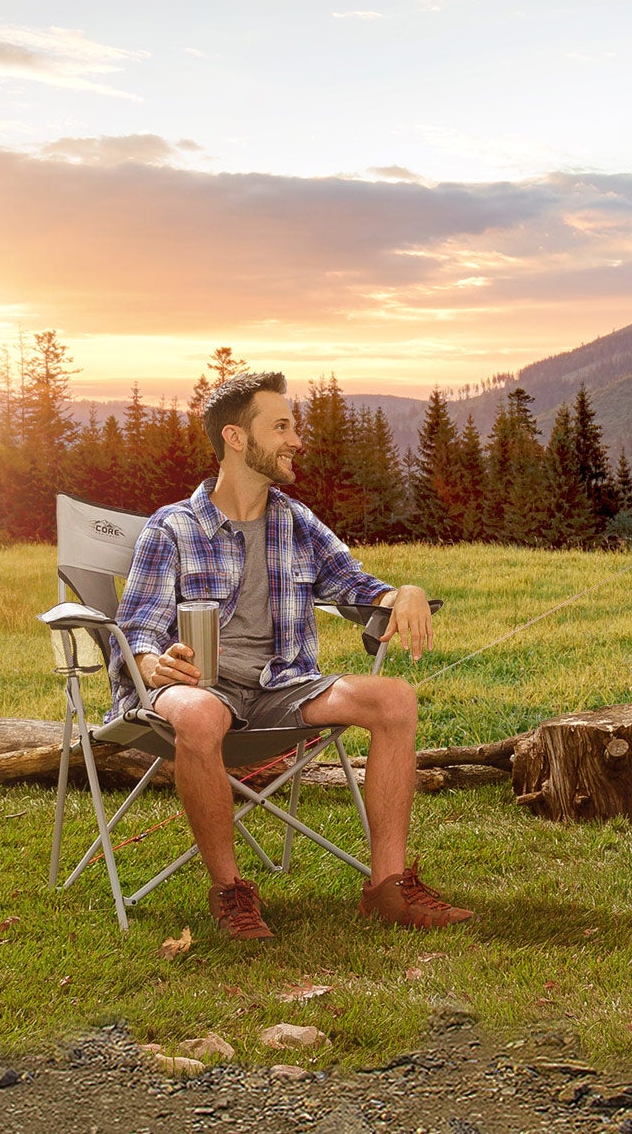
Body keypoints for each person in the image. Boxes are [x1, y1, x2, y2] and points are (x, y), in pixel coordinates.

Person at [116, 370, 472, 939]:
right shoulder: (173, 528)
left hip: (282, 686)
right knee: (201, 712)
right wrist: (151, 664)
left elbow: (354, 584)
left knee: (395, 698)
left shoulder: (294, 521)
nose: (297, 441)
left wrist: (402, 593)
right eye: (281, 427)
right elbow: (137, 629)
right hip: (195, 690)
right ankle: (230, 893)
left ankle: (388, 887)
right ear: (236, 438)